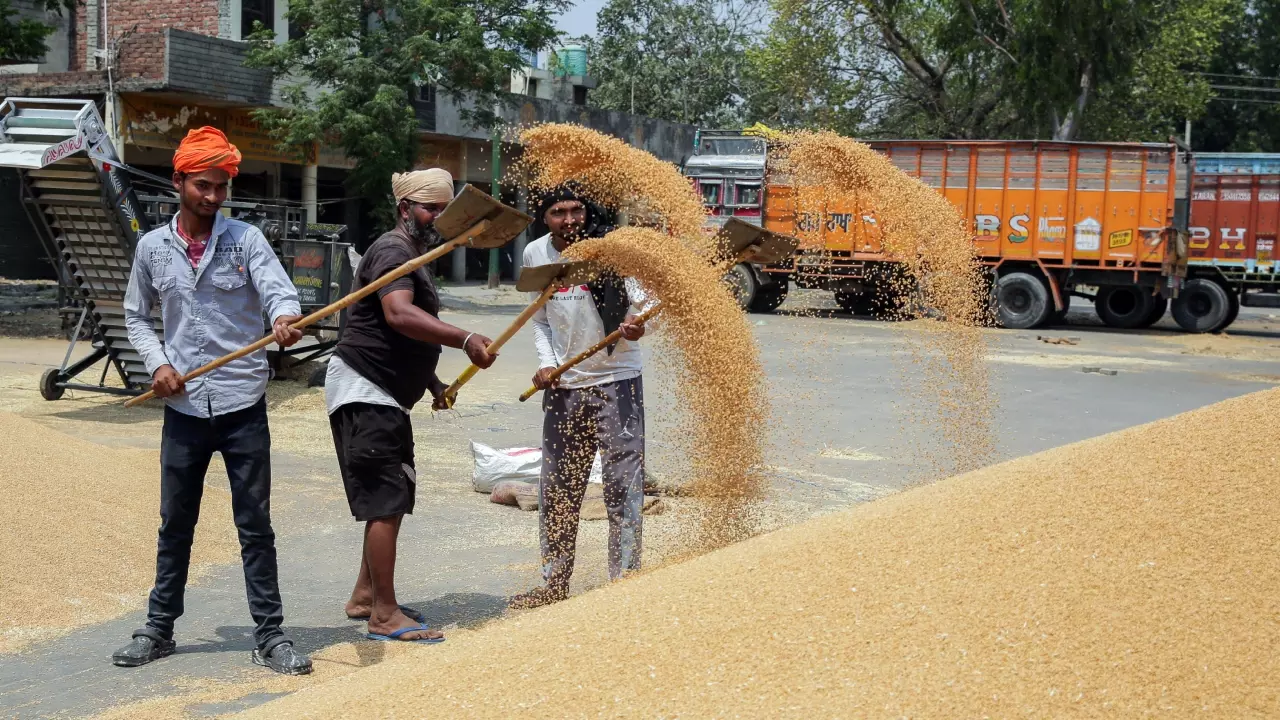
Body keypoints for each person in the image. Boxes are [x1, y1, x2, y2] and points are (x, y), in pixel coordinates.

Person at [116, 127, 312, 674]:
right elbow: (136, 316)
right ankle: (157, 630)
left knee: (255, 524)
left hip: (243, 403)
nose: (213, 196)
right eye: (203, 185)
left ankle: (271, 636)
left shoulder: (246, 240)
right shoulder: (152, 248)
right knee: (175, 522)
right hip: (183, 411)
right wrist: (158, 364)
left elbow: (278, 290)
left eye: (222, 186)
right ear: (179, 181)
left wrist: (283, 320)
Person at [325, 168, 496, 643]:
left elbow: (403, 332)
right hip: (366, 388)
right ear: (406, 209)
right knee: (385, 501)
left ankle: (365, 596)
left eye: (444, 210)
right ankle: (384, 614)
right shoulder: (394, 250)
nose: (437, 217)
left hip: (387, 392)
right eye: (430, 208)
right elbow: (398, 315)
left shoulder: (416, 255)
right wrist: (464, 338)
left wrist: (433, 380)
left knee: (393, 498)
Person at [509, 183, 652, 610]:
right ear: (544, 217)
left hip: (618, 382)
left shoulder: (612, 249)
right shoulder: (536, 254)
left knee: (623, 488)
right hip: (565, 388)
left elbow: (645, 305)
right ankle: (553, 584)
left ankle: (624, 582)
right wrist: (548, 362)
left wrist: (637, 325)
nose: (569, 220)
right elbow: (540, 321)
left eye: (576, 210)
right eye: (558, 212)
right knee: (558, 489)